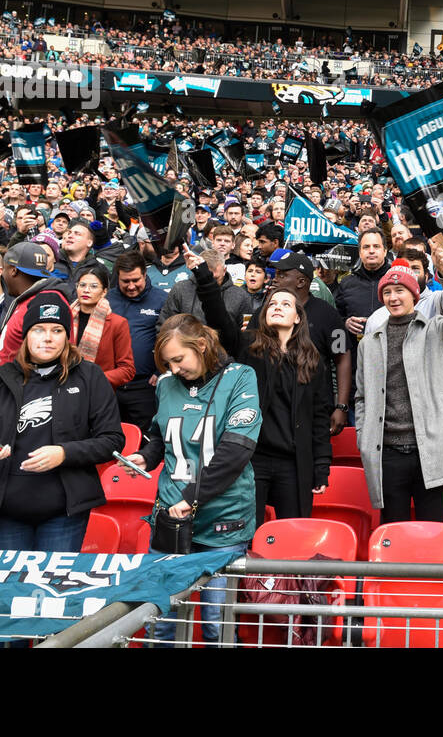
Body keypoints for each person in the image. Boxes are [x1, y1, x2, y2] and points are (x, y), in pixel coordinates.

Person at [128, 315, 262, 645]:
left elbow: (235, 451)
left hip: (223, 520)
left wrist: (191, 496)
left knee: (217, 620)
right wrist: (146, 455)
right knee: (160, 617)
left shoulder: (241, 377)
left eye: (178, 359)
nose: (173, 369)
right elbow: (161, 435)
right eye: (166, 363)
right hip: (172, 521)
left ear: (201, 346)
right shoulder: (166, 384)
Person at [0, 291, 123, 552]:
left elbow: (112, 440)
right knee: (9, 589)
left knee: (53, 589)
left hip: (64, 512)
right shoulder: (1, 378)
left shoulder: (89, 376)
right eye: (39, 329)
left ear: (68, 336)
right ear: (26, 335)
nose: (47, 337)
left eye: (57, 330)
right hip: (6, 512)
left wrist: (64, 453)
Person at [190, 253, 332, 521]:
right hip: (253, 458)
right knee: (247, 532)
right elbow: (219, 319)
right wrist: (203, 276)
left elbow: (319, 417)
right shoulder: (247, 347)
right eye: (272, 303)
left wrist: (321, 466)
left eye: (285, 303)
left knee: (293, 532)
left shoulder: (312, 362)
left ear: (298, 318)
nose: (277, 306)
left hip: (293, 462)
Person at [354, 249, 443, 522]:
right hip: (388, 452)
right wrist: (365, 439)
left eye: (400, 290)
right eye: (387, 292)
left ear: (414, 294)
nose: (393, 297)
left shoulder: (437, 328)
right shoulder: (369, 342)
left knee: (432, 529)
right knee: (392, 531)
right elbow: (362, 396)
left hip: (430, 450)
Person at [268, 252, 353, 435]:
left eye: (282, 275)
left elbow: (342, 357)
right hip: (273, 410)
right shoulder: (265, 312)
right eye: (275, 274)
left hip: (315, 409)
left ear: (301, 282)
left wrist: (342, 406)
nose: (275, 280)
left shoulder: (328, 314)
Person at [107, 250, 169, 433]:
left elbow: (167, 337)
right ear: (117, 278)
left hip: (145, 386)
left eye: (136, 280)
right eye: (126, 281)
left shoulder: (161, 299)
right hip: (111, 385)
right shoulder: (107, 300)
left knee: (145, 439)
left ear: (145, 274)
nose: (131, 286)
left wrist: (161, 370)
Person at [70, 265, 137, 391]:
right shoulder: (65, 317)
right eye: (82, 285)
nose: (86, 290)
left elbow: (127, 369)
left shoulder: (117, 323)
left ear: (104, 292)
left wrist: (95, 378)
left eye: (93, 286)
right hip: (66, 389)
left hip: (99, 392)